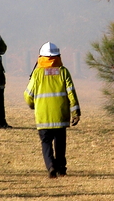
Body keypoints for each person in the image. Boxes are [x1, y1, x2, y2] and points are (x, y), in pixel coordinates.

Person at [24, 41, 80, 178]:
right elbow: (71, 93)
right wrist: (75, 112)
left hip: (43, 117)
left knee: (46, 143)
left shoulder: (37, 74)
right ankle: (61, 167)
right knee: (60, 143)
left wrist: (33, 105)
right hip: (60, 116)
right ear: (58, 56)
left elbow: (28, 95)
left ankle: (50, 166)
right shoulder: (63, 72)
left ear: (41, 57)